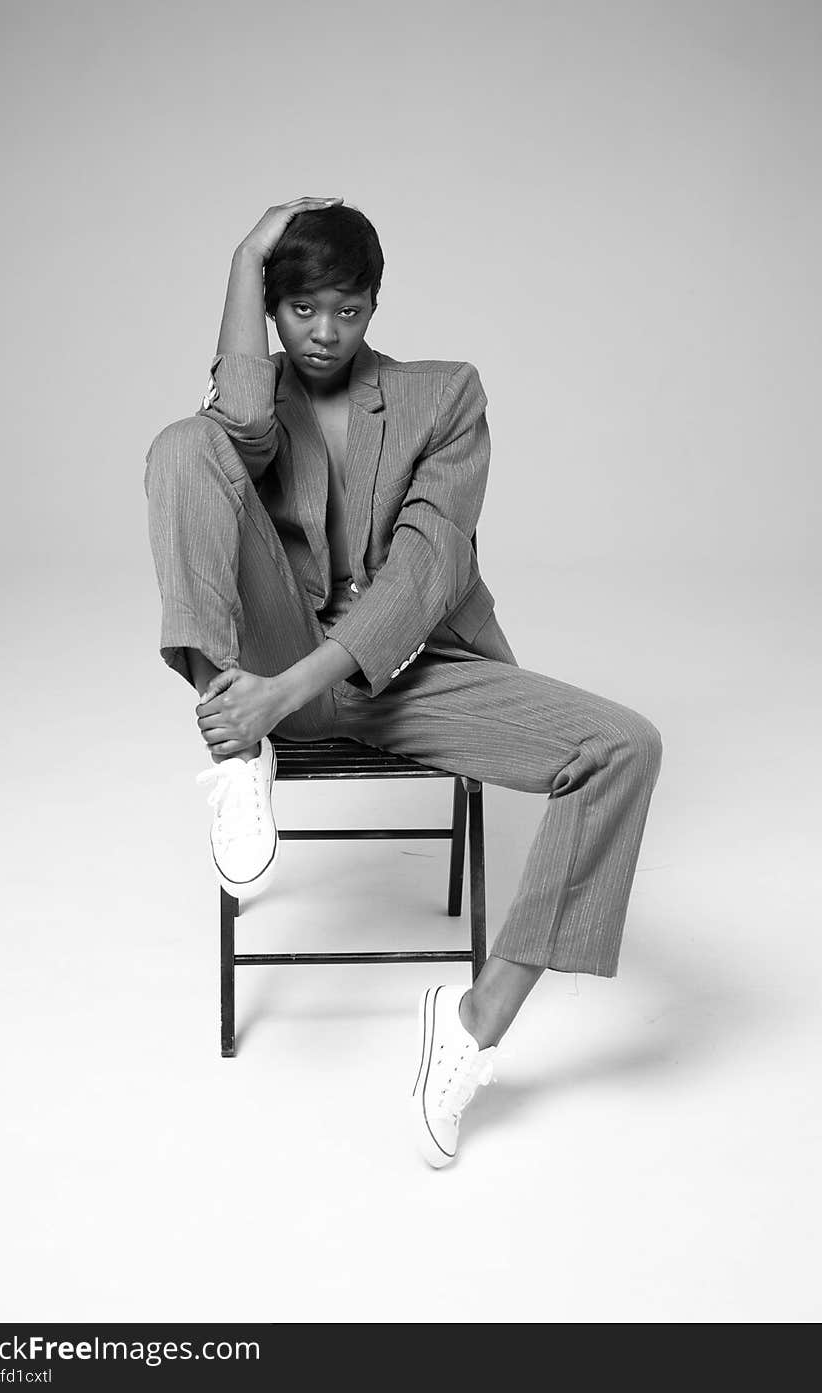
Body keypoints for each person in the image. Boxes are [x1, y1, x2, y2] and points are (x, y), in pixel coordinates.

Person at [144, 195, 663, 1168]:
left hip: (411, 672)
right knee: (182, 443)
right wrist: (243, 255)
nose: (325, 332)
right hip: (263, 675)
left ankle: (471, 1024)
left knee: (625, 746)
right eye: (302, 310)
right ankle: (231, 734)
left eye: (346, 309)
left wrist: (288, 688)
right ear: (274, 308)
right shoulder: (262, 419)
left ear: (375, 305)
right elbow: (237, 418)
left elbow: (425, 571)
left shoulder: (444, 394)